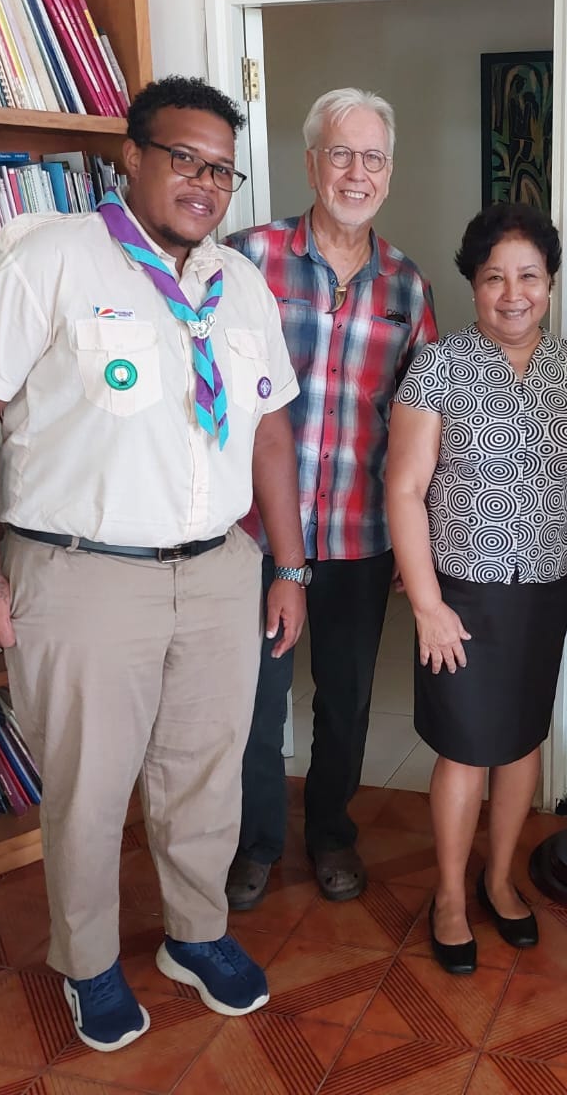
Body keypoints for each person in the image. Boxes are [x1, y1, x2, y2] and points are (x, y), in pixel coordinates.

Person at [0, 76, 309, 1053]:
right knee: (91, 786)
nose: (203, 183)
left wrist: (288, 565)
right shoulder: (51, 258)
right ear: (131, 157)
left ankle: (197, 935)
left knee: (206, 773)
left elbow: (270, 428)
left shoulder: (240, 284)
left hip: (219, 568)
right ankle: (89, 963)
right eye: (183, 158)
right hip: (83, 571)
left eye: (221, 169)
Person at [386, 203, 567, 975]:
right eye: (494, 278)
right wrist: (427, 605)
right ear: (473, 286)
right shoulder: (438, 366)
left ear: (550, 283)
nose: (512, 294)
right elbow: (404, 490)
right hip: (461, 592)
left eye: (529, 277)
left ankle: (499, 877)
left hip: (544, 586)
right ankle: (450, 895)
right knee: (464, 748)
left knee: (521, 741)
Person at [224, 89, 438, 908]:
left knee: (344, 702)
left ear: (390, 173)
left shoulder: (406, 287)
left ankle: (331, 832)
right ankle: (257, 842)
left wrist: (417, 540)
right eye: (341, 155)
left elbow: (422, 421)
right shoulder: (244, 258)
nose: (357, 173)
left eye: (373, 158)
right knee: (255, 703)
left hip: (358, 533)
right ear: (312, 163)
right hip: (253, 533)